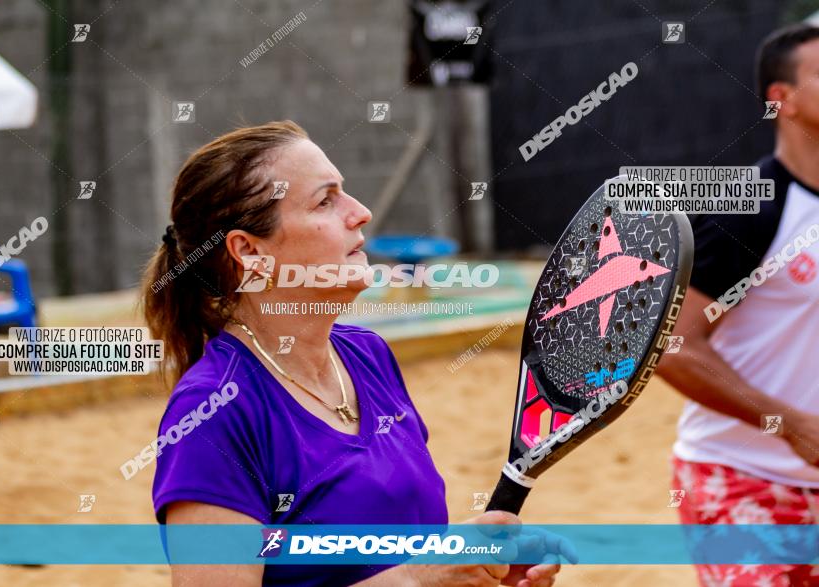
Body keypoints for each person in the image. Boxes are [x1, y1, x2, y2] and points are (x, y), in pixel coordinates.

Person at [141, 121, 564, 586]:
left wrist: (478, 572)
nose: (360, 212)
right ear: (249, 251)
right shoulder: (213, 412)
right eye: (325, 200)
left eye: (344, 193)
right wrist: (419, 579)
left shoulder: (368, 355)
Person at [657, 23, 819, 586]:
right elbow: (673, 348)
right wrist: (790, 424)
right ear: (783, 99)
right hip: (743, 476)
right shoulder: (750, 208)